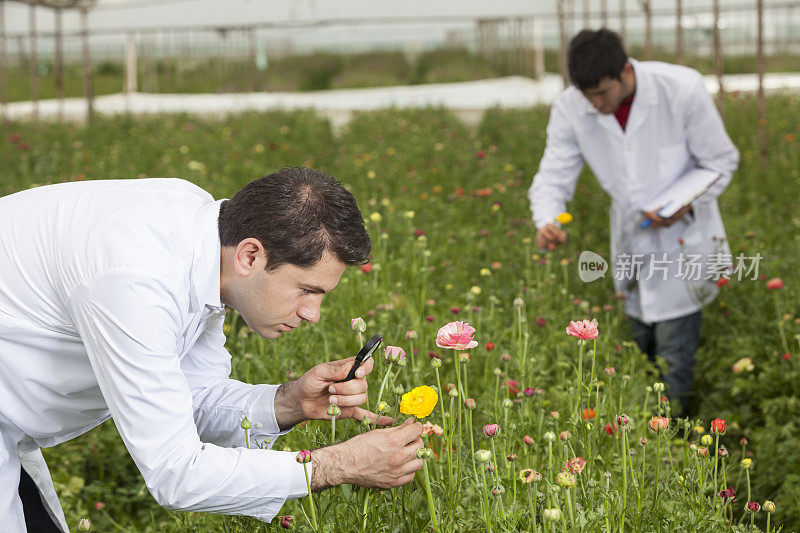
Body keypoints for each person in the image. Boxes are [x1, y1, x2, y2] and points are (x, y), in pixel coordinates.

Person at [0, 167, 425, 532]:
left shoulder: (205, 236)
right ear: (251, 255)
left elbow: (194, 395)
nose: (313, 313)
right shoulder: (136, 280)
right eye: (307, 290)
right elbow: (175, 473)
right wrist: (336, 465)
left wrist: (288, 402)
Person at [528, 29, 739, 416]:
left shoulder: (681, 89)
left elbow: (720, 160)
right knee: (638, 347)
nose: (595, 103)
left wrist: (683, 204)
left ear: (625, 71)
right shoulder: (571, 107)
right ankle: (645, 432)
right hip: (630, 237)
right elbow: (554, 174)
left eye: (603, 94)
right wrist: (547, 219)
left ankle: (675, 437)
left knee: (675, 352)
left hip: (684, 235)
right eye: (587, 95)